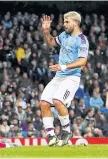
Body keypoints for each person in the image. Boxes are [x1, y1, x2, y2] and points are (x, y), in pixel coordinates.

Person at [40, 11, 89, 146]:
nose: (64, 24)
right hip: (59, 76)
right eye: (64, 22)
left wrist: (64, 66)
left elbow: (82, 61)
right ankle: (51, 136)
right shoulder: (63, 36)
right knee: (44, 102)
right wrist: (46, 31)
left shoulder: (82, 40)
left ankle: (67, 131)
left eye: (67, 22)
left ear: (75, 22)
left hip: (72, 77)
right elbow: (51, 43)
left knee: (57, 100)